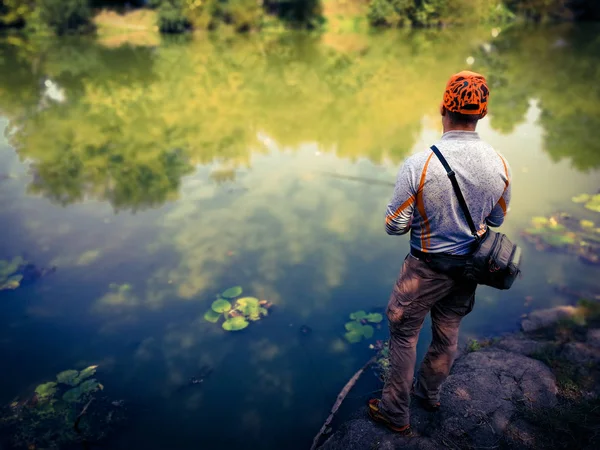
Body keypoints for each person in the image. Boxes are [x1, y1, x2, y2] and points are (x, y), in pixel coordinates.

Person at [367, 71, 512, 435]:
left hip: (425, 270)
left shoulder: (421, 164)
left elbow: (393, 225)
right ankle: (429, 395)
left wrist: (422, 213)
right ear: (482, 115)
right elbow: (494, 218)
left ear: (442, 109)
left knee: (404, 336)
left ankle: (395, 413)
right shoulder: (500, 164)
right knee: (447, 335)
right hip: (469, 269)